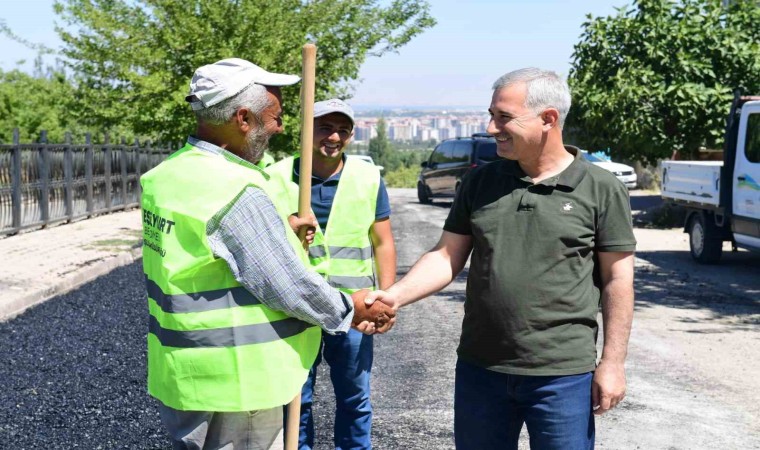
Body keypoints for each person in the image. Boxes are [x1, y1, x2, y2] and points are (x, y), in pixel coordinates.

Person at [367, 68, 636, 449]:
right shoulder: (481, 182)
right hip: (481, 369)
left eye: (503, 117)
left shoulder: (600, 188)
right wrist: (394, 296)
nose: (492, 128)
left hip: (562, 375)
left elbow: (618, 280)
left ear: (548, 119)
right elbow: (446, 256)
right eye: (492, 115)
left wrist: (612, 363)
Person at [140, 58, 394, 450]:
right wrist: (352, 309)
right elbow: (287, 285)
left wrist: (278, 232)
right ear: (242, 118)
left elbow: (206, 257)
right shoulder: (233, 187)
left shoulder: (168, 176)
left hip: (184, 372)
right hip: (238, 383)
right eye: (272, 116)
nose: (279, 127)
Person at [266, 99, 396, 450]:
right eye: (325, 127)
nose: (334, 136)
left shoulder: (367, 178)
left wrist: (387, 298)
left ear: (351, 135)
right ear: (307, 131)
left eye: (342, 129)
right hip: (295, 308)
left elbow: (382, 241)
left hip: (353, 309)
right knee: (296, 400)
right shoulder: (275, 177)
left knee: (354, 400)